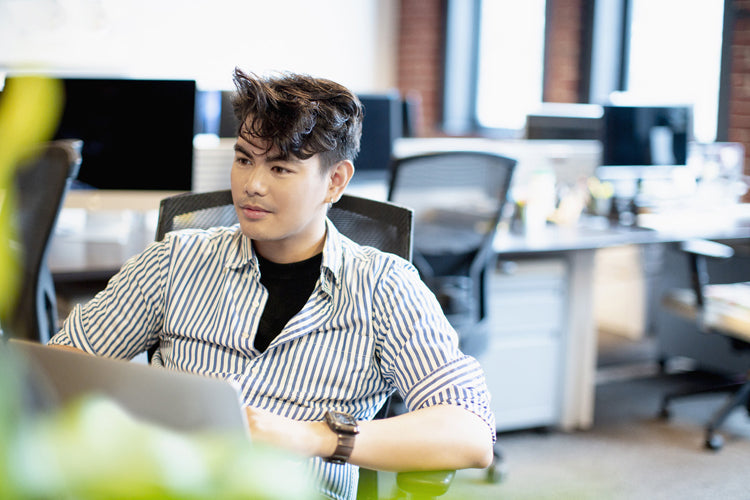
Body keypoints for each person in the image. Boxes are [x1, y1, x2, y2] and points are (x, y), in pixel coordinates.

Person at [48, 68, 495, 500]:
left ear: (334, 181)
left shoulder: (384, 287)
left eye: (280, 168)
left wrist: (313, 437)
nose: (252, 185)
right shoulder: (174, 260)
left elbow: (471, 431)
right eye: (244, 160)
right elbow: (55, 372)